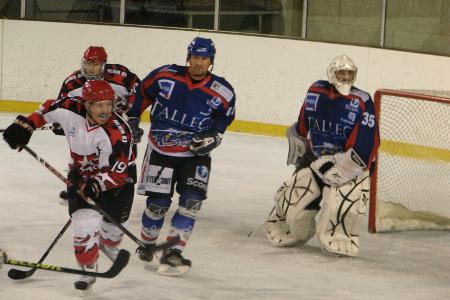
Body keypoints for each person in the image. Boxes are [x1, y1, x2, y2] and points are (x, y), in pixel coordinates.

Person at [3, 80, 136, 290]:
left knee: (114, 227)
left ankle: (108, 244)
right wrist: (26, 125)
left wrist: (96, 185)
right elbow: (47, 108)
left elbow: (118, 173)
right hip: (80, 176)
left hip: (116, 181)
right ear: (86, 104)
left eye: (108, 104)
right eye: (98, 104)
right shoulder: (68, 107)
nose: (105, 110)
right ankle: (88, 269)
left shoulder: (118, 133)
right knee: (84, 226)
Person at [127, 37, 236, 276]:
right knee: (158, 205)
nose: (199, 63)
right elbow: (142, 94)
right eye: (195, 57)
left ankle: (173, 252)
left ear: (211, 61)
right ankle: (148, 242)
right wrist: (133, 118)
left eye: (204, 58)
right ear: (189, 57)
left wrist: (213, 136)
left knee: (191, 202)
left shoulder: (222, 90)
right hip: (160, 151)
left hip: (195, 154)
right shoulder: (165, 75)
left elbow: (223, 118)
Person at [263, 55, 379, 257]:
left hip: (349, 164)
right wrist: (297, 137)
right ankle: (292, 227)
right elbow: (303, 124)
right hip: (315, 158)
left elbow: (367, 142)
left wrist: (346, 167)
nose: (345, 77)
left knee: (342, 210)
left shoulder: (362, 100)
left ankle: (341, 234)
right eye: (341, 73)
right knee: (291, 201)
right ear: (331, 74)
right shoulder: (316, 91)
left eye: (349, 73)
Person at [56, 46, 140, 201]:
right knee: (80, 153)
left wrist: (133, 118)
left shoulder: (121, 76)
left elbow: (138, 93)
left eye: (96, 64)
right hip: (85, 123)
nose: (91, 68)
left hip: (115, 122)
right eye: (88, 64)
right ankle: (78, 185)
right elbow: (61, 104)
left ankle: (122, 183)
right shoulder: (72, 82)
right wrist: (60, 124)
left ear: (104, 64)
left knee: (123, 152)